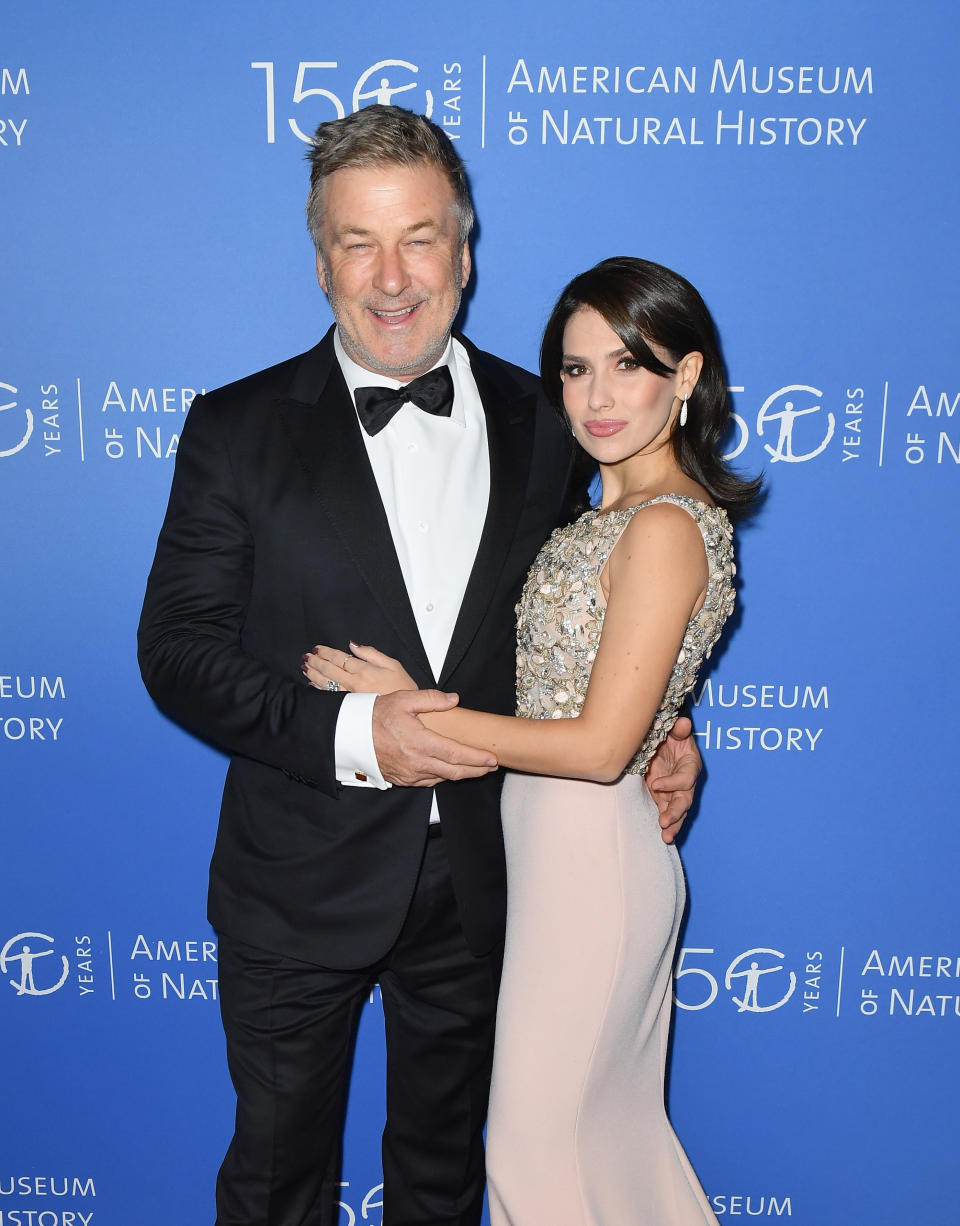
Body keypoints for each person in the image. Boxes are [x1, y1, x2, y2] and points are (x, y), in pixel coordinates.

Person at [137, 105, 702, 1226]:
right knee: (277, 1182)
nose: (393, 277)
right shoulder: (236, 429)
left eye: (420, 237)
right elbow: (178, 649)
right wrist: (363, 734)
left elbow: (592, 618)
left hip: (495, 887)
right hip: (298, 883)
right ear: (319, 261)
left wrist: (660, 728)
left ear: (466, 247)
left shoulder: (549, 420)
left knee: (446, 1183)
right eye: (359, 242)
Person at [304, 255, 761, 1225]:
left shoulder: (667, 525)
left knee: (535, 1149)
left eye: (627, 366)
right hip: (552, 852)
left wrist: (412, 710)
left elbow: (598, 745)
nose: (595, 396)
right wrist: (673, 733)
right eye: (574, 367)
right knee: (602, 1146)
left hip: (593, 854)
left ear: (684, 377)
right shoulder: (605, 509)